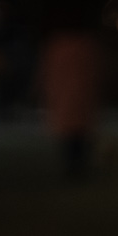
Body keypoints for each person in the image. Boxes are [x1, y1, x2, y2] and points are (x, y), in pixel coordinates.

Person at [40, 27, 103, 178]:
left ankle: (76, 166)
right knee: (75, 135)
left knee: (74, 135)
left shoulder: (61, 46)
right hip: (74, 97)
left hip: (72, 97)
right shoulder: (81, 46)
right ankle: (77, 166)